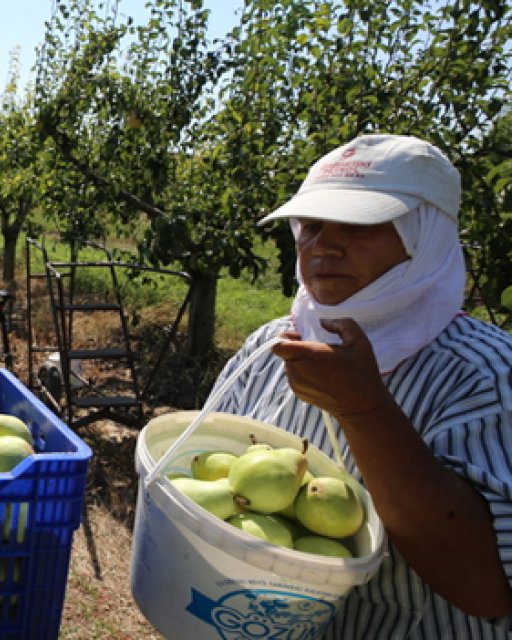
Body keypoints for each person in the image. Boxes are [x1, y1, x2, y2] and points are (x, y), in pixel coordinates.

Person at [210, 134, 512, 637]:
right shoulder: (270, 347)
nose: (323, 245)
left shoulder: (486, 375)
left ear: (426, 235)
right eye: (311, 225)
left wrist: (365, 410)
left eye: (361, 223)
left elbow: (483, 591)